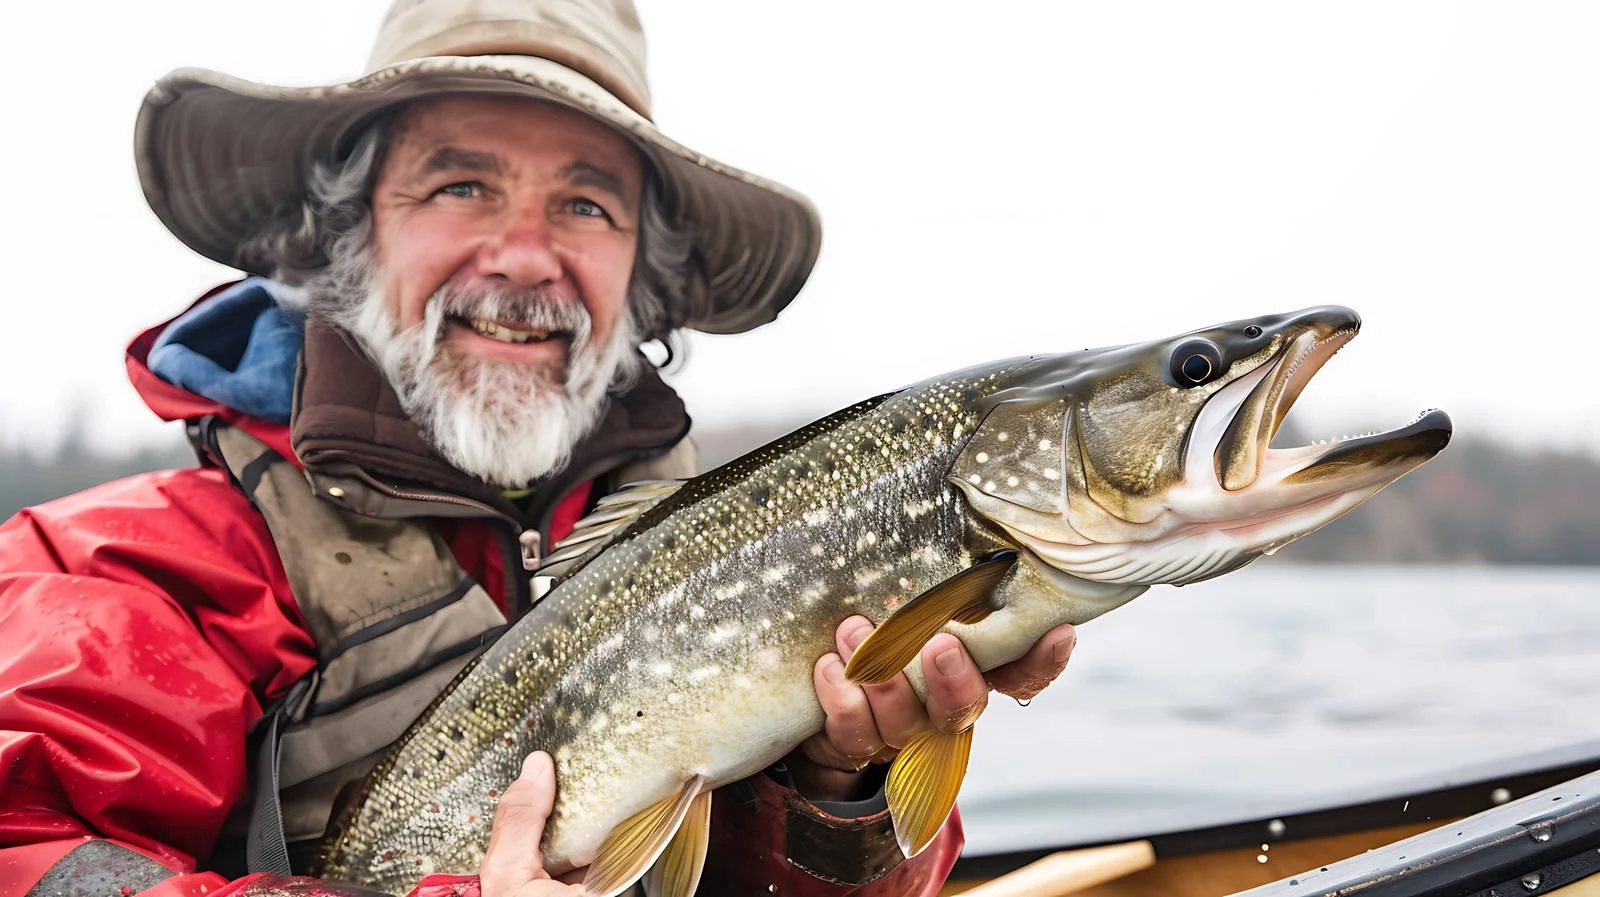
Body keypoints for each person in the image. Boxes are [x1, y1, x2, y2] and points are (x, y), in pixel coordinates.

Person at [0, 1, 1079, 895]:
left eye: (585, 203)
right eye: (460, 186)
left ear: (640, 276)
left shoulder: (753, 550)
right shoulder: (107, 568)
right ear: (349, 234)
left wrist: (841, 792)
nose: (524, 257)